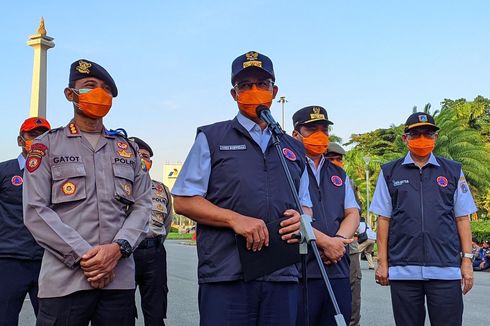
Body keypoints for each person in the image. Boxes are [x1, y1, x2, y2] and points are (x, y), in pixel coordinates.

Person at [172, 51, 313, 326]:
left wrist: (302, 219)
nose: (254, 90)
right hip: (226, 274)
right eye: (245, 85)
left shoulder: (294, 148)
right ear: (233, 93)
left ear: (275, 90)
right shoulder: (211, 137)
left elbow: (305, 204)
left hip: (282, 273)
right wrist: (234, 219)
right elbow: (184, 201)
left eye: (262, 84)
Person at [23, 59, 152, 325]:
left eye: (105, 89)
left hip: (118, 279)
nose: (99, 94)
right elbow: (36, 210)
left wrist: (118, 249)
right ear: (70, 94)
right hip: (64, 282)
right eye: (90, 86)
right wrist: (88, 257)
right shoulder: (47, 146)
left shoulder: (126, 149)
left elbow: (143, 205)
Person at [371, 112, 477, 326]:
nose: (422, 138)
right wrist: (382, 263)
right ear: (405, 138)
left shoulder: (453, 171)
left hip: (445, 269)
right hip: (403, 270)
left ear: (436, 138)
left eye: (428, 133)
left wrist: (466, 261)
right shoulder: (389, 172)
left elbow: (462, 218)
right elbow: (384, 220)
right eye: (415, 134)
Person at [291, 106, 360, 325]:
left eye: (324, 129)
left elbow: (352, 213)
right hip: (302, 270)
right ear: (296, 134)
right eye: (311, 129)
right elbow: (288, 214)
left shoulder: (338, 172)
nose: (319, 135)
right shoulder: (287, 166)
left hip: (337, 268)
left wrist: (338, 242)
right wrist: (325, 242)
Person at [0, 117, 50, 325]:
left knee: (51, 320)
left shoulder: (57, 174)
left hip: (47, 261)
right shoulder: (4, 171)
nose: (38, 140)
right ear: (21, 140)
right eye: (33, 135)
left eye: (44, 136)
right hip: (10, 261)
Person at [129, 136, 173, 326]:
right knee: (122, 311)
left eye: (145, 156)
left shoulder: (161, 189)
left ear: (151, 163)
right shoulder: (119, 185)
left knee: (155, 312)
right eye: (137, 155)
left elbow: (168, 222)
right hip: (126, 254)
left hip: (154, 253)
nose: (141, 159)